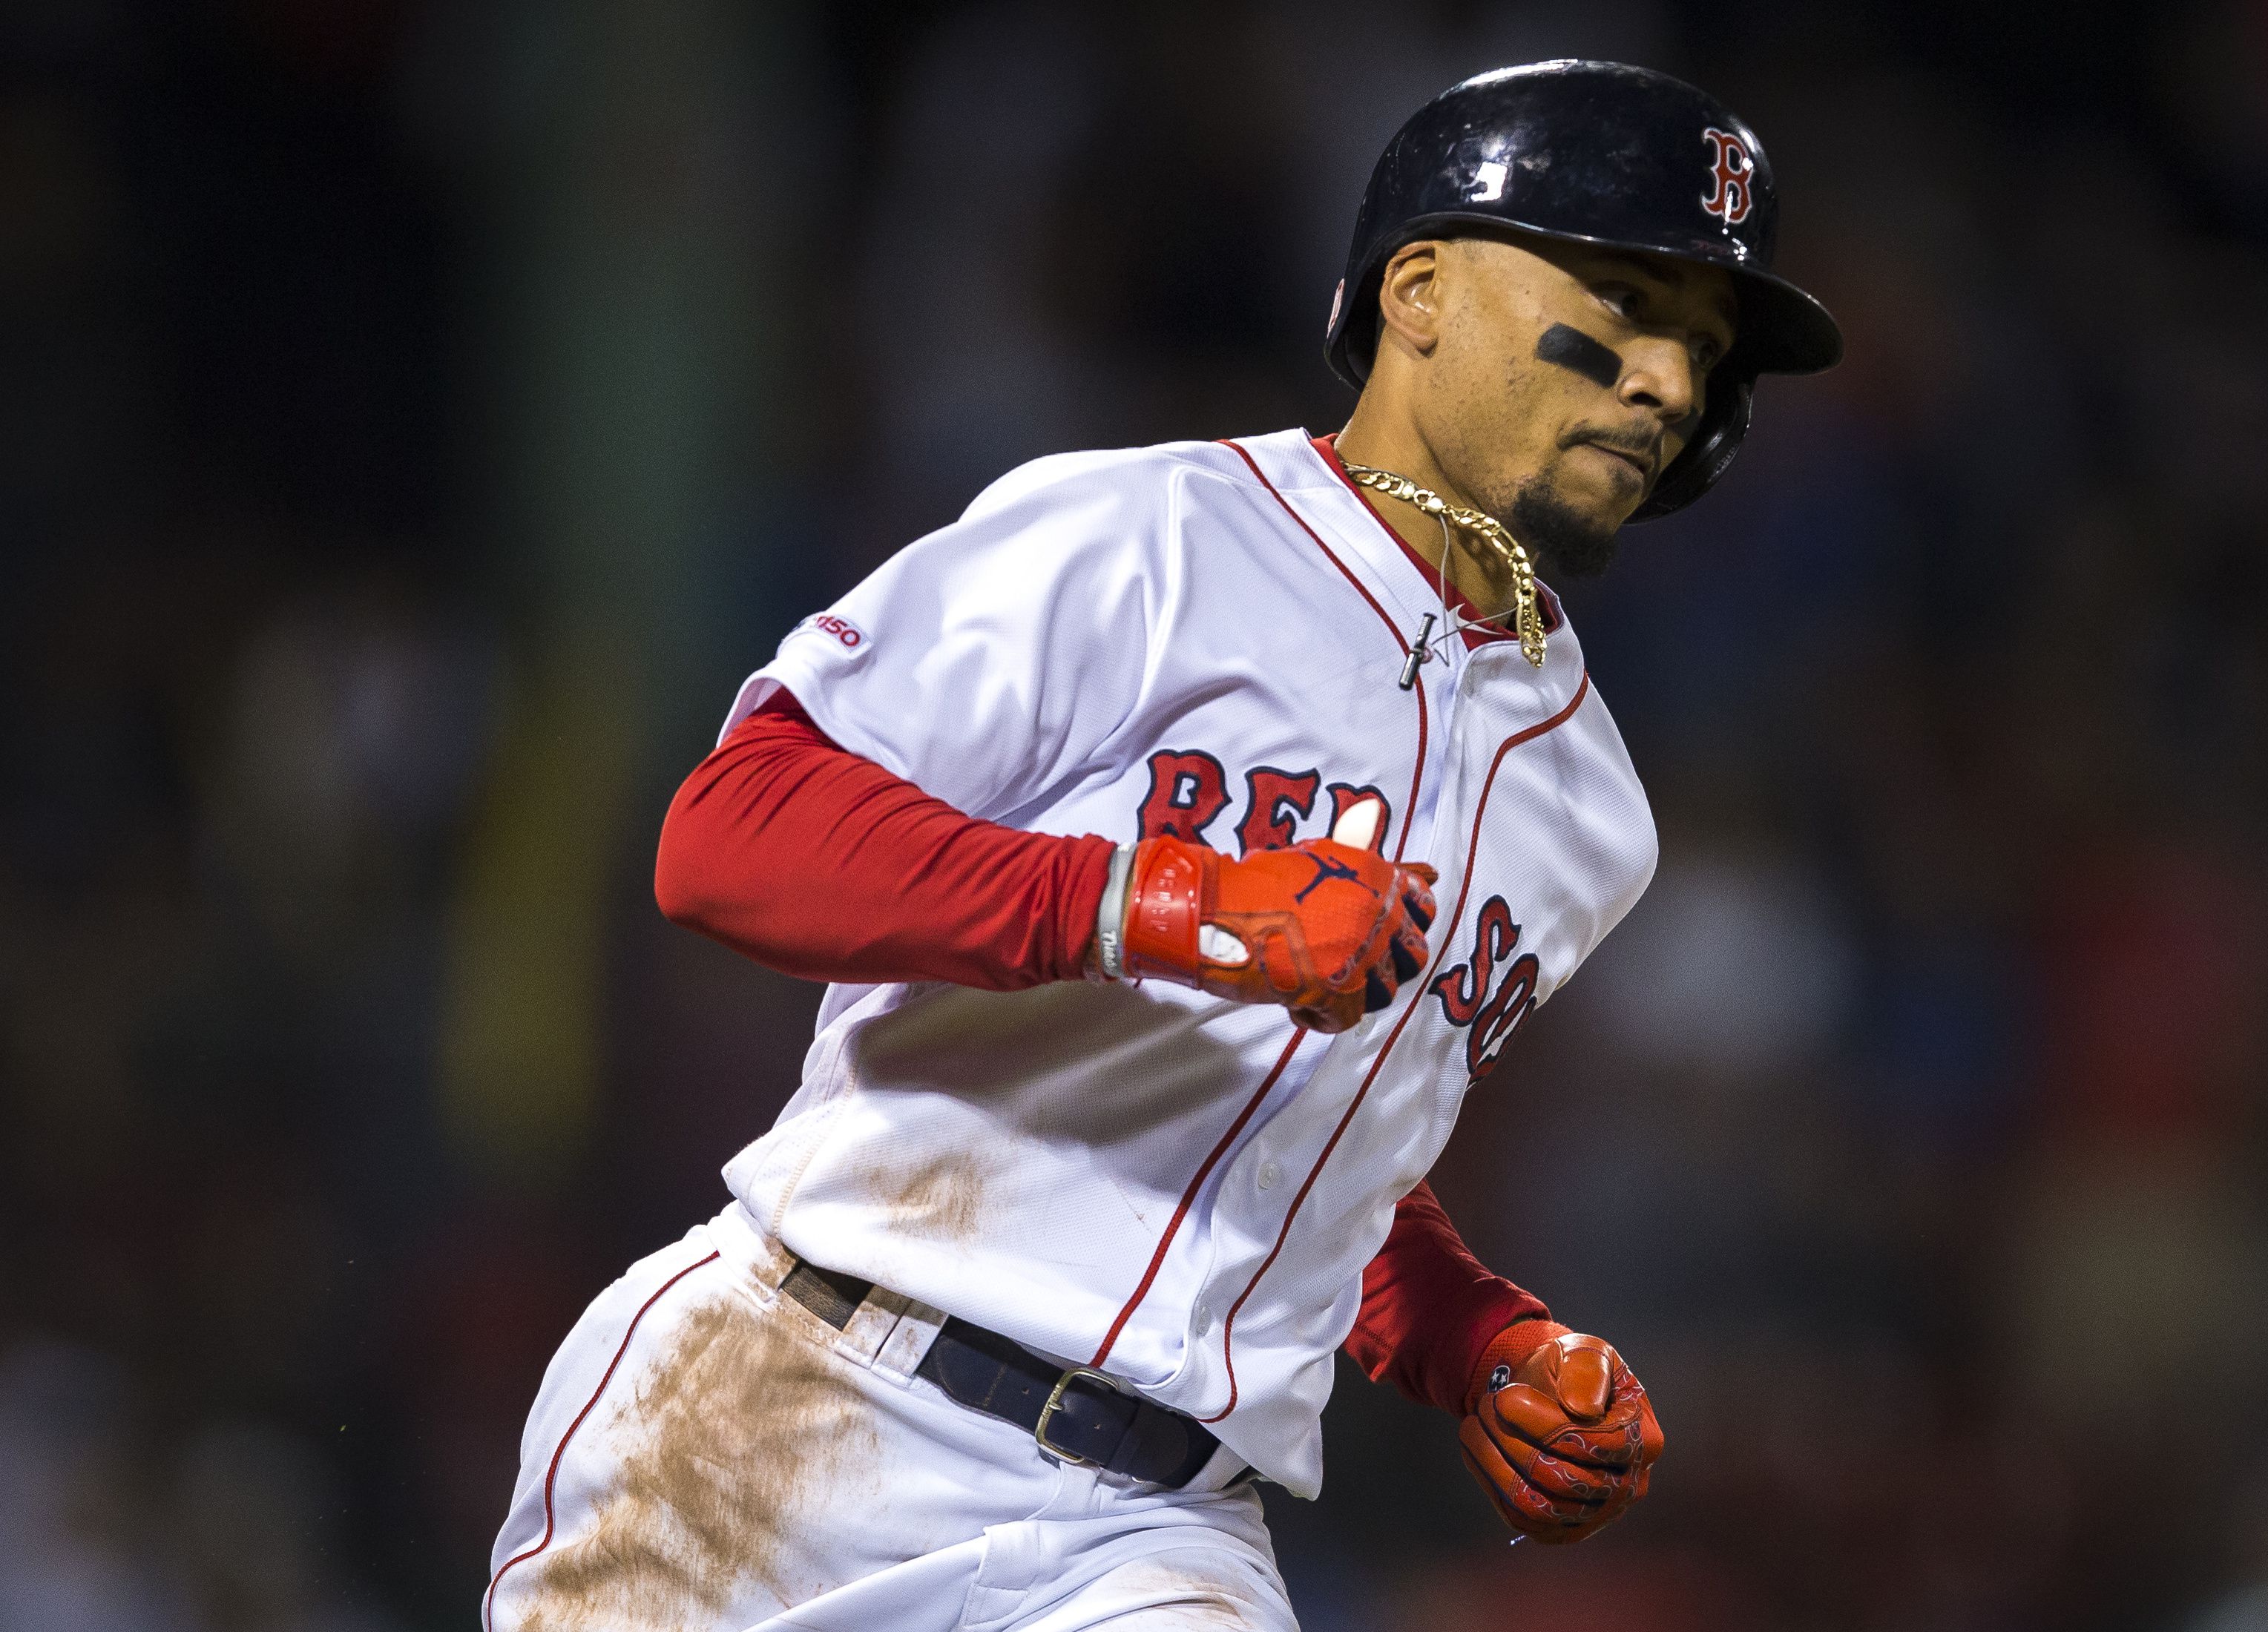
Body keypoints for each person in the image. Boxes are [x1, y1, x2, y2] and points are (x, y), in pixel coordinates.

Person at [483, 59, 1841, 1632]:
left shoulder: (1592, 816)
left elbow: (1320, 1156)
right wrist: (1158, 899)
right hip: (798, 1402)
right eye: (1623, 297)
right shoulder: (1147, 536)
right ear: (1419, 290)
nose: (1668, 381)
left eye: (1705, 347)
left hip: (1152, 1529)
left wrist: (1474, 1336)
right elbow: (729, 833)